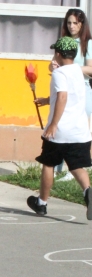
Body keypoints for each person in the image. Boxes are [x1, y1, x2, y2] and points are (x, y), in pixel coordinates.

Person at [28, 36, 92, 220]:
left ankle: (41, 203)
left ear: (58, 54)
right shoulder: (78, 72)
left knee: (48, 163)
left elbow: (63, 97)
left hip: (60, 131)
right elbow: (70, 96)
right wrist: (47, 100)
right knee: (77, 165)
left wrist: (54, 124)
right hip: (80, 131)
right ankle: (88, 192)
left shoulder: (59, 73)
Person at [48, 8, 92, 182]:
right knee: (60, 124)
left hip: (83, 90)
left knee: (80, 129)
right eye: (69, 23)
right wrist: (53, 67)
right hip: (65, 88)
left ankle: (74, 168)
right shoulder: (62, 42)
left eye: (76, 23)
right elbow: (52, 64)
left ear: (82, 24)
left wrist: (71, 69)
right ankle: (57, 166)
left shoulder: (87, 43)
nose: (72, 26)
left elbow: (90, 69)